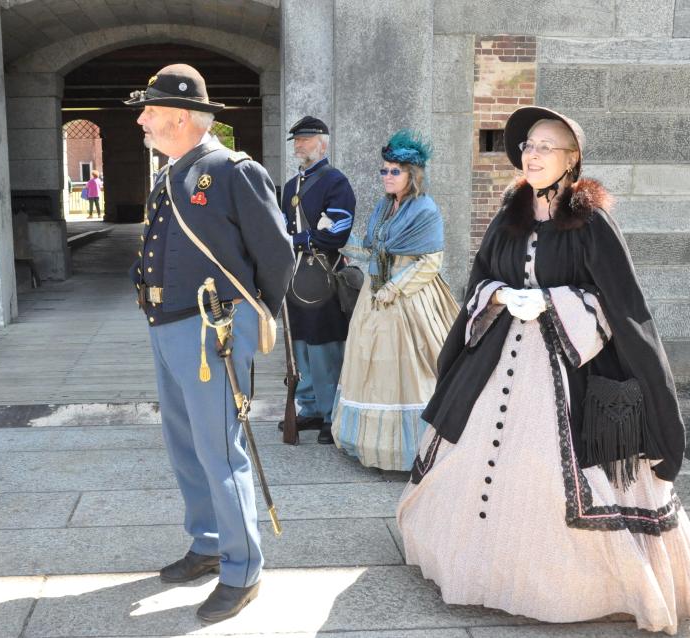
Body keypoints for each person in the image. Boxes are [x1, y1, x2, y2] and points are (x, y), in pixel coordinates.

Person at [397, 107, 690, 634]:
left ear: (572, 160)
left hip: (573, 369)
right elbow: (480, 278)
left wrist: (553, 301)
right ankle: (481, 571)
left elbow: (622, 304)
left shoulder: (592, 221)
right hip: (501, 360)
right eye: (528, 146)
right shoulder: (509, 213)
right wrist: (502, 295)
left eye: (545, 147)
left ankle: (570, 588)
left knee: (550, 469)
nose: (532, 155)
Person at [125, 64, 293, 622]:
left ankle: (242, 567)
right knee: (185, 444)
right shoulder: (171, 170)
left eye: (150, 111)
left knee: (220, 451)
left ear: (180, 116)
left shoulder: (230, 170)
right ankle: (207, 540)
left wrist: (247, 319)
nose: (143, 120)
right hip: (166, 324)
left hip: (212, 331)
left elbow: (277, 255)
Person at [331, 130, 459, 471]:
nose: (387, 176)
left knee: (409, 368)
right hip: (375, 295)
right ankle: (371, 443)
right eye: (384, 170)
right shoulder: (385, 206)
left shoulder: (425, 210)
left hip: (410, 297)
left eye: (395, 171)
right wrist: (339, 239)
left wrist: (394, 288)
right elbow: (375, 247)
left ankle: (414, 448)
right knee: (371, 367)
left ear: (412, 175)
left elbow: (430, 261)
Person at [280, 115, 357, 444]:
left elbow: (334, 230)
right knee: (299, 344)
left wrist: (296, 241)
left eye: (306, 139)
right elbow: (281, 225)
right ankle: (309, 406)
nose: (299, 144)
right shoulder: (289, 187)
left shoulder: (335, 182)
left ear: (323, 143)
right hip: (294, 276)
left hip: (322, 273)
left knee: (324, 348)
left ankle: (330, 414)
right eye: (297, 140)